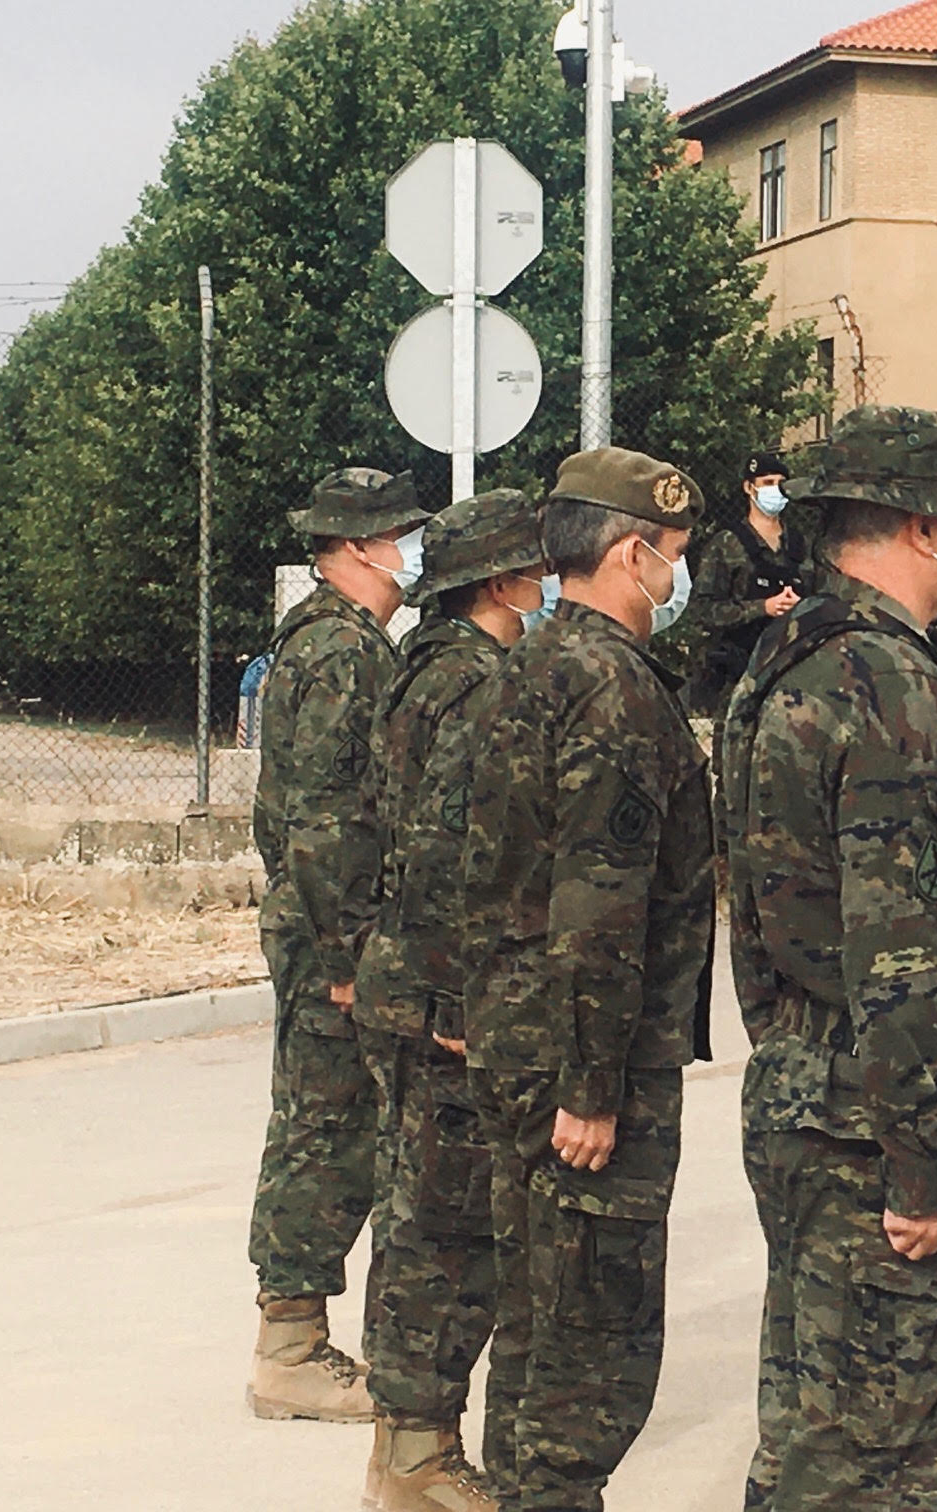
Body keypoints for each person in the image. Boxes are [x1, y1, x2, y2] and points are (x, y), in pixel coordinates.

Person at [719, 406, 937, 1511]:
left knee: (810, 1426)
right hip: (870, 1117)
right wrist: (921, 1162)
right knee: (877, 1455)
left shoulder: (785, 659)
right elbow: (908, 955)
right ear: (918, 526)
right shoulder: (890, 685)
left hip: (803, 1089)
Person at [460, 449, 714, 1512]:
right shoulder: (611, 687)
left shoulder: (531, 661)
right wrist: (593, 1088)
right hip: (583, 1056)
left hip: (519, 1033)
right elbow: (602, 906)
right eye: (675, 557)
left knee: (535, 1313)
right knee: (593, 1344)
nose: (679, 577)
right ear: (627, 553)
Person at [352, 488, 555, 1512]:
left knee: (416, 1216)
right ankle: (418, 1459)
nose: (549, 582)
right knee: (446, 1229)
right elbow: (446, 852)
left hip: (409, 977)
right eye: (537, 567)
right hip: (444, 994)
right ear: (505, 581)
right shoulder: (477, 685)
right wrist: (460, 998)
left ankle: (405, 1444)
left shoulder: (421, 671)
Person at [246, 467, 433, 1423]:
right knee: (329, 1131)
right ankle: (291, 1346)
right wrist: (348, 952)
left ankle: (297, 1333)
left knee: (328, 1124)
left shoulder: (338, 646)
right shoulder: (340, 655)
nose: (414, 547)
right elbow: (322, 821)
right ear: (358, 547)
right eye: (402, 531)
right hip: (335, 935)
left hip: (322, 923)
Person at [685, 450, 816, 716]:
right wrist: (763, 608)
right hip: (735, 678)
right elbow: (702, 611)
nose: (775, 491)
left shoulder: (801, 545)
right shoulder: (726, 545)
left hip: (790, 676)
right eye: (767, 483)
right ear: (749, 487)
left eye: (780, 484)